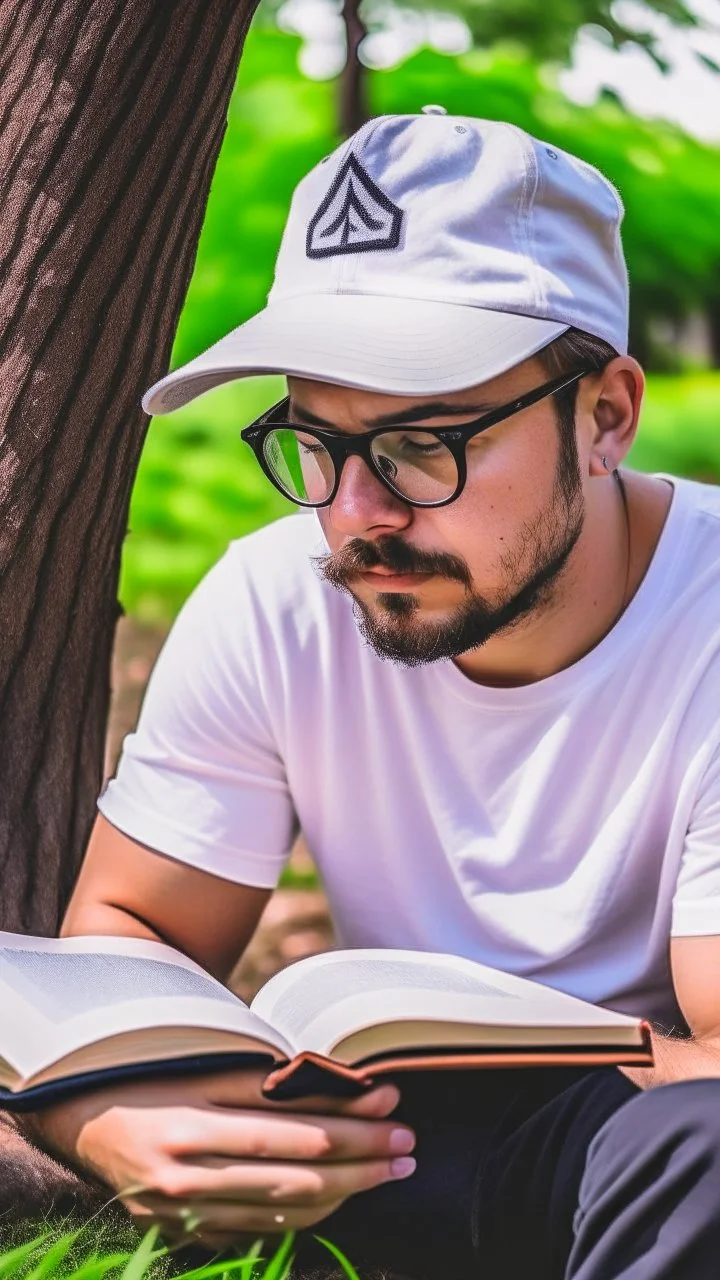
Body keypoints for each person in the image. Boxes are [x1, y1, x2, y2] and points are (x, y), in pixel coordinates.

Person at [25, 109, 720, 1279]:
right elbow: (128, 934)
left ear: (604, 415)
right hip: (377, 1147)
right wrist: (100, 1120)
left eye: (422, 444)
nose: (357, 514)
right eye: (316, 442)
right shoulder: (275, 594)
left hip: (644, 1155)